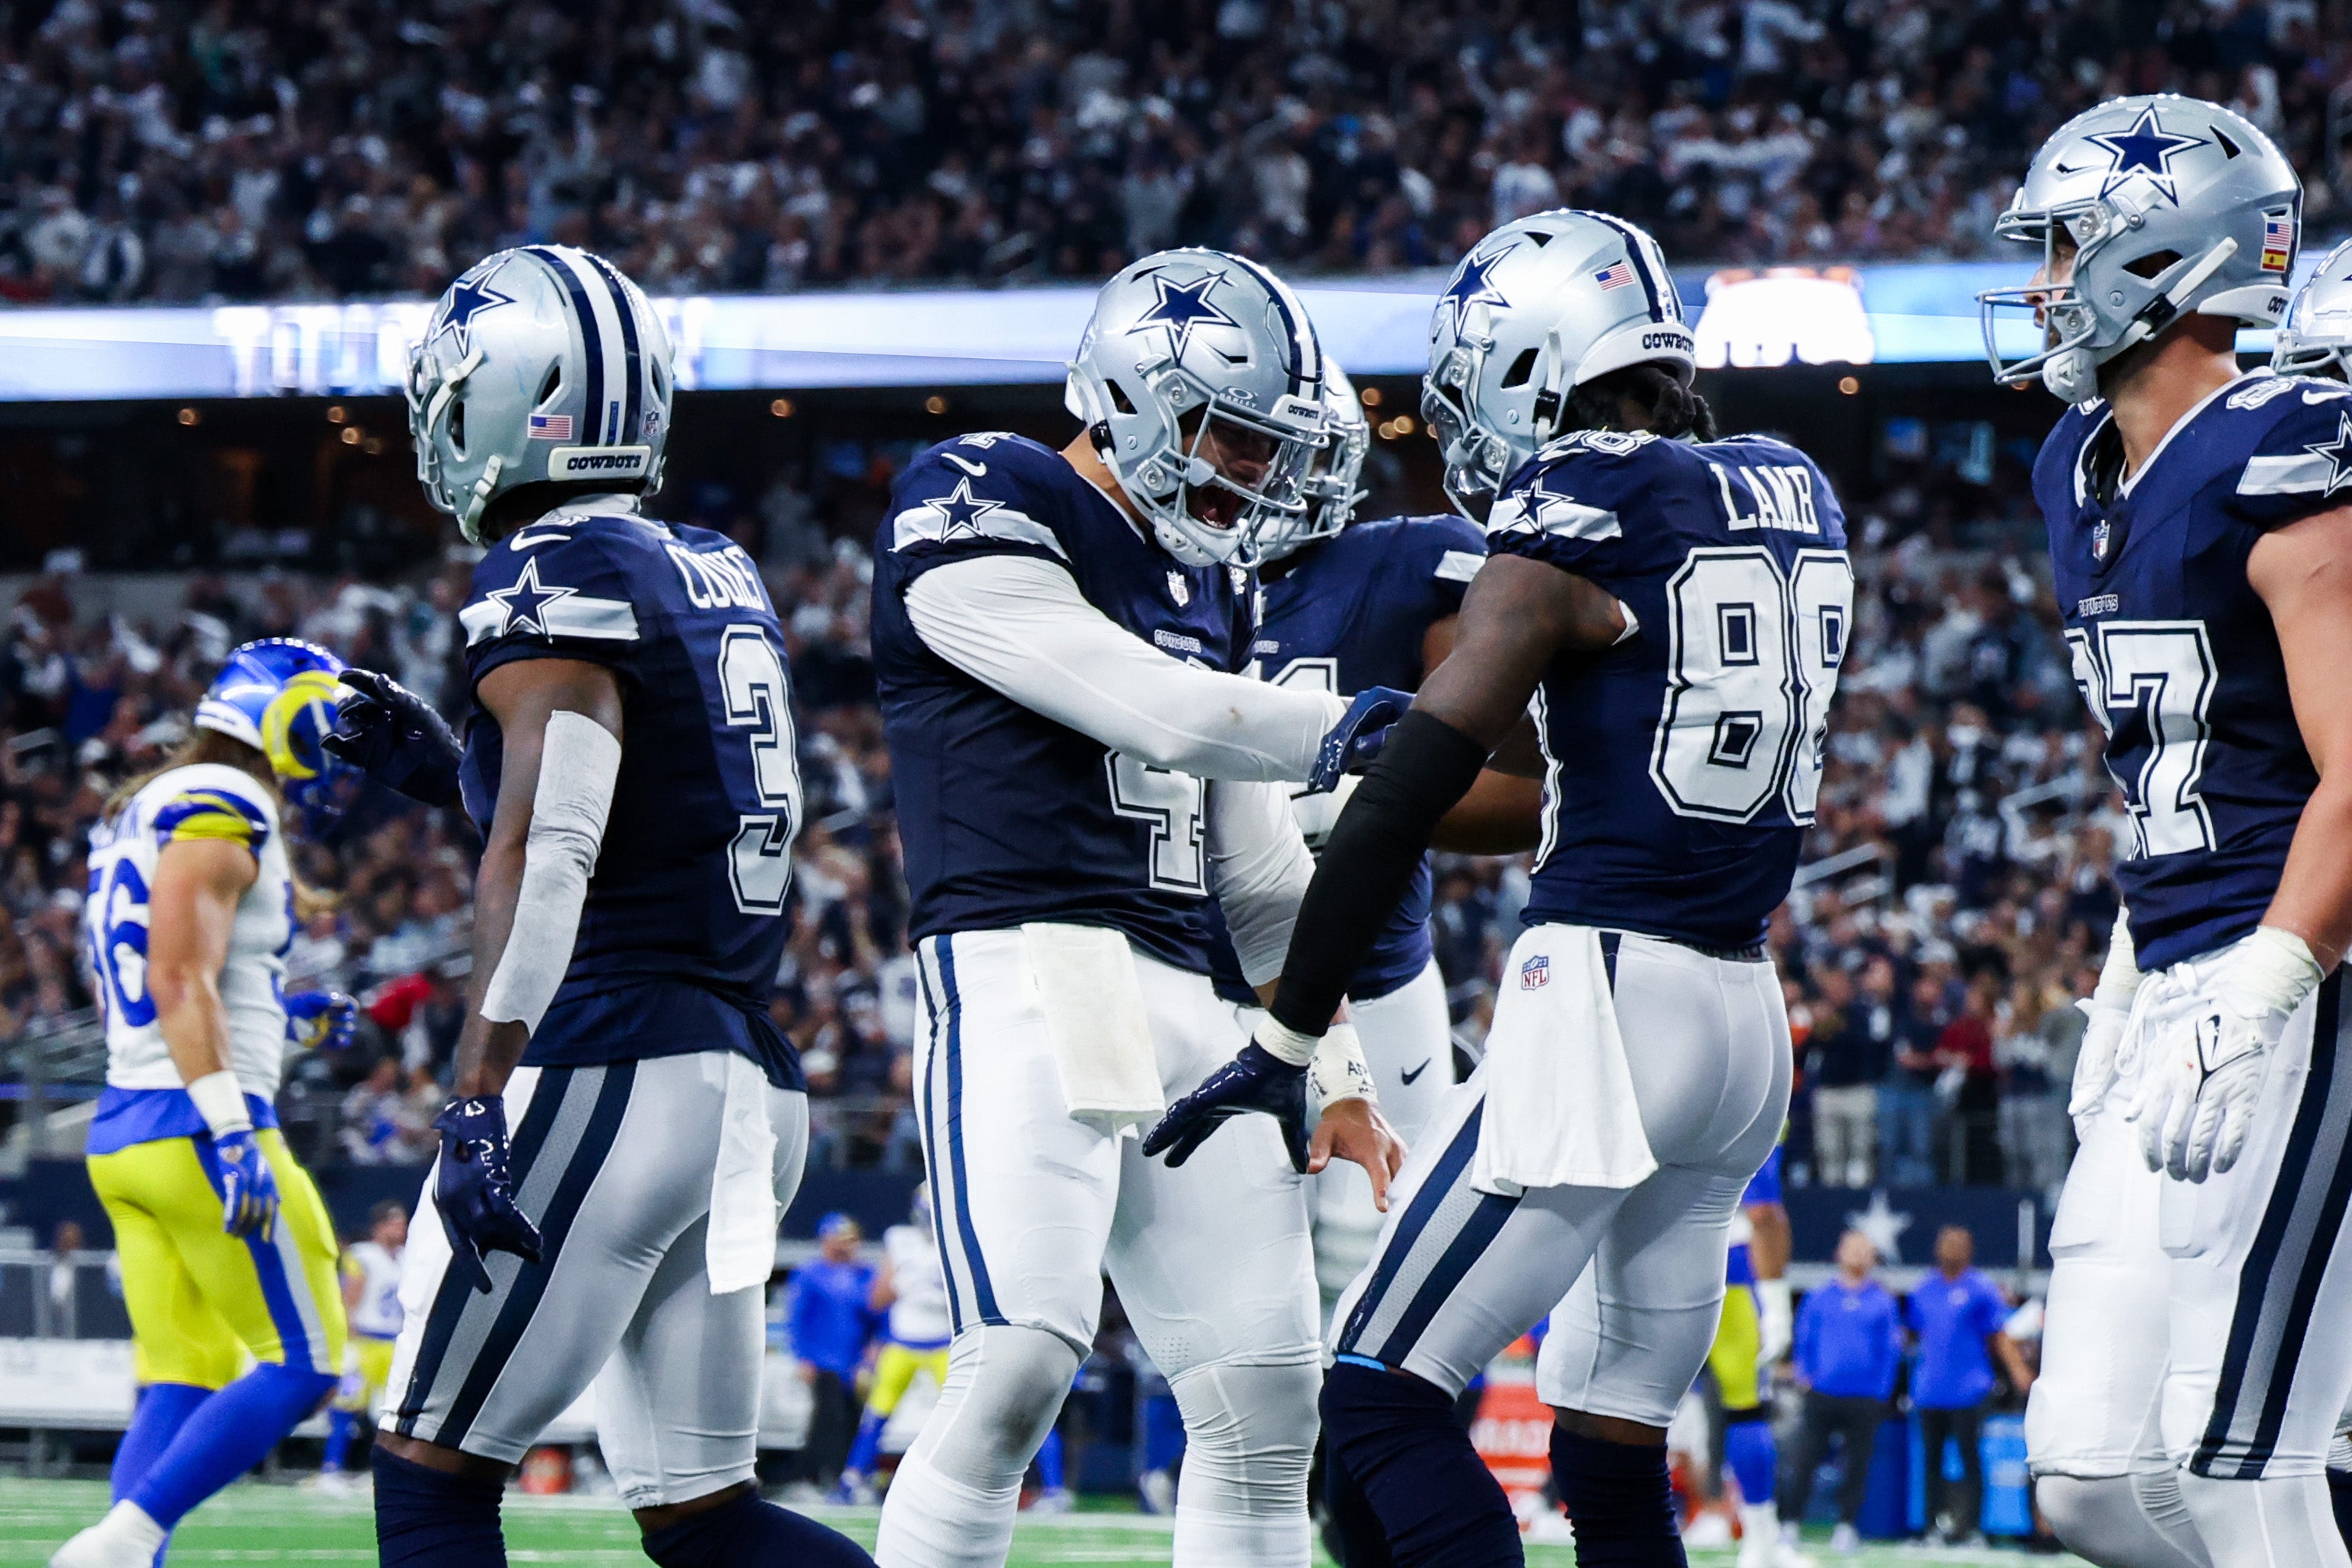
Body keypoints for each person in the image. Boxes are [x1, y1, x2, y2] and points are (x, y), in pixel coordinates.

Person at [1152, 208, 1854, 1567]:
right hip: (1738, 1012)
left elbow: (1410, 791)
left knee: (1372, 1397)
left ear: (1534, 360)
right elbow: (1605, 759)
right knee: (1611, 1449)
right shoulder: (1789, 481)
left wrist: (1287, 1031)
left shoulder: (1571, 505)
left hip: (1603, 1000)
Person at [334, 244, 871, 1568]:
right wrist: (439, 769)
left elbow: (559, 841)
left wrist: (472, 1093)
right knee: (703, 1516)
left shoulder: (552, 569)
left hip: (616, 1057)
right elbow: (640, 814)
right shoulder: (709, 564)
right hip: (737, 1073)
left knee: (429, 1467)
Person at [867, 246, 1402, 1568]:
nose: (1256, 476)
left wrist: (1330, 1067)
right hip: (1030, 966)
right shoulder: (988, 488)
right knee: (1017, 1365)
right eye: (1235, 434)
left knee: (1270, 1406)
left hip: (1194, 1004)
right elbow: (1143, 701)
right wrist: (1352, 729)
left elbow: (1263, 874)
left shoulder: (1206, 582)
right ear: (1136, 393)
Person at [1984, 94, 2352, 1568]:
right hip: (2184, 968)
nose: (2033, 283)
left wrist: (2270, 978)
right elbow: (2176, 770)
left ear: (2157, 258)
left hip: (2307, 972)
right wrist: (2138, 969)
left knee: (2235, 1453)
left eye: (2062, 245)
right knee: (2087, 1472)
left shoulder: (2286, 448)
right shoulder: (2077, 476)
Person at [1215, 359, 1536, 1317]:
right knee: (1234, 1280)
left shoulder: (1403, 563)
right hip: (1205, 973)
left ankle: (1352, 1468)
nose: (1255, 470)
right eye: (1233, 441)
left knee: (1382, 1265)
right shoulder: (1165, 581)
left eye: (1275, 446)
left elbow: (1521, 782)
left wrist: (1375, 797)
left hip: (1376, 974)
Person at [53, 639, 361, 1568]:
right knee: (305, 1362)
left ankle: (128, 1556)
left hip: (130, 1125)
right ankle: (119, 1544)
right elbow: (179, 974)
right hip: (196, 1127)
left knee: (182, 1375)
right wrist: (233, 1130)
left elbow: (172, 978)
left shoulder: (152, 806)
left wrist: (280, 1019)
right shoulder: (224, 805)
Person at [1908, 1224, 2035, 1546]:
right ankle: (1930, 1528)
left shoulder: (1981, 1289)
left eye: (1958, 1244)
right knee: (1931, 1461)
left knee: (1970, 1459)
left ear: (1969, 1249)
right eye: (1946, 1243)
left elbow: (1999, 1335)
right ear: (1937, 1248)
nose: (1951, 1249)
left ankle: (1973, 1527)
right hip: (1930, 1389)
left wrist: (2018, 1370)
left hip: (1969, 1388)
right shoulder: (1924, 1290)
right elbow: (1912, 1335)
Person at [1779, 1231, 1901, 1554]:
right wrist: (1805, 1375)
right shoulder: (1819, 1296)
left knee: (1857, 1464)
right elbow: (1804, 1338)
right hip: (1822, 1393)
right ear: (1839, 1252)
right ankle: (1790, 1523)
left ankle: (1846, 1526)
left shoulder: (1882, 1301)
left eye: (1866, 1251)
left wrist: (1881, 1390)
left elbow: (1891, 1349)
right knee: (1805, 1460)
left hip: (1864, 1397)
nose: (1859, 1256)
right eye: (1853, 1249)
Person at [838, 1189, 954, 1504]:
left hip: (944, 1342)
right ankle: (853, 1479)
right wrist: (901, 1284)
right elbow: (876, 1299)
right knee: (877, 1413)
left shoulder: (958, 1241)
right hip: (903, 1342)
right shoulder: (901, 1239)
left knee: (960, 1419)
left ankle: (960, 1483)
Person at [319, 1200, 410, 1493]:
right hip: (365, 1341)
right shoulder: (363, 1255)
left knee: (391, 1413)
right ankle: (331, 1469)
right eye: (395, 1223)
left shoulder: (406, 1257)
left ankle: (385, 1471)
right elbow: (350, 1296)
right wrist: (349, 1336)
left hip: (394, 1341)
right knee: (347, 1406)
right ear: (379, 1226)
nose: (401, 1228)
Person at [791, 1214, 878, 1497]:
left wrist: (875, 1347)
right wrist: (803, 1357)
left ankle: (845, 1479)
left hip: (855, 1363)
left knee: (854, 1419)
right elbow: (798, 1319)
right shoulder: (811, 1274)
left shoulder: (864, 1275)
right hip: (822, 1359)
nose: (845, 1247)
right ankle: (813, 1477)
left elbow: (877, 1316)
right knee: (826, 1418)